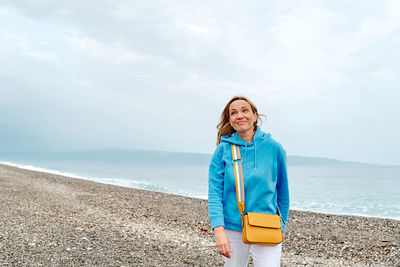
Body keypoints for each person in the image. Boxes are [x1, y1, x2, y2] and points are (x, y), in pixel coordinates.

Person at [208, 96, 289, 267]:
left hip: (267, 224)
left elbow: (282, 191)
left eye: (245, 110)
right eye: (233, 113)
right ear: (229, 120)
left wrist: (282, 225)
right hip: (232, 227)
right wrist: (219, 230)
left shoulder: (275, 148)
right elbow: (214, 193)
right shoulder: (223, 150)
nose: (240, 115)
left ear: (254, 115)